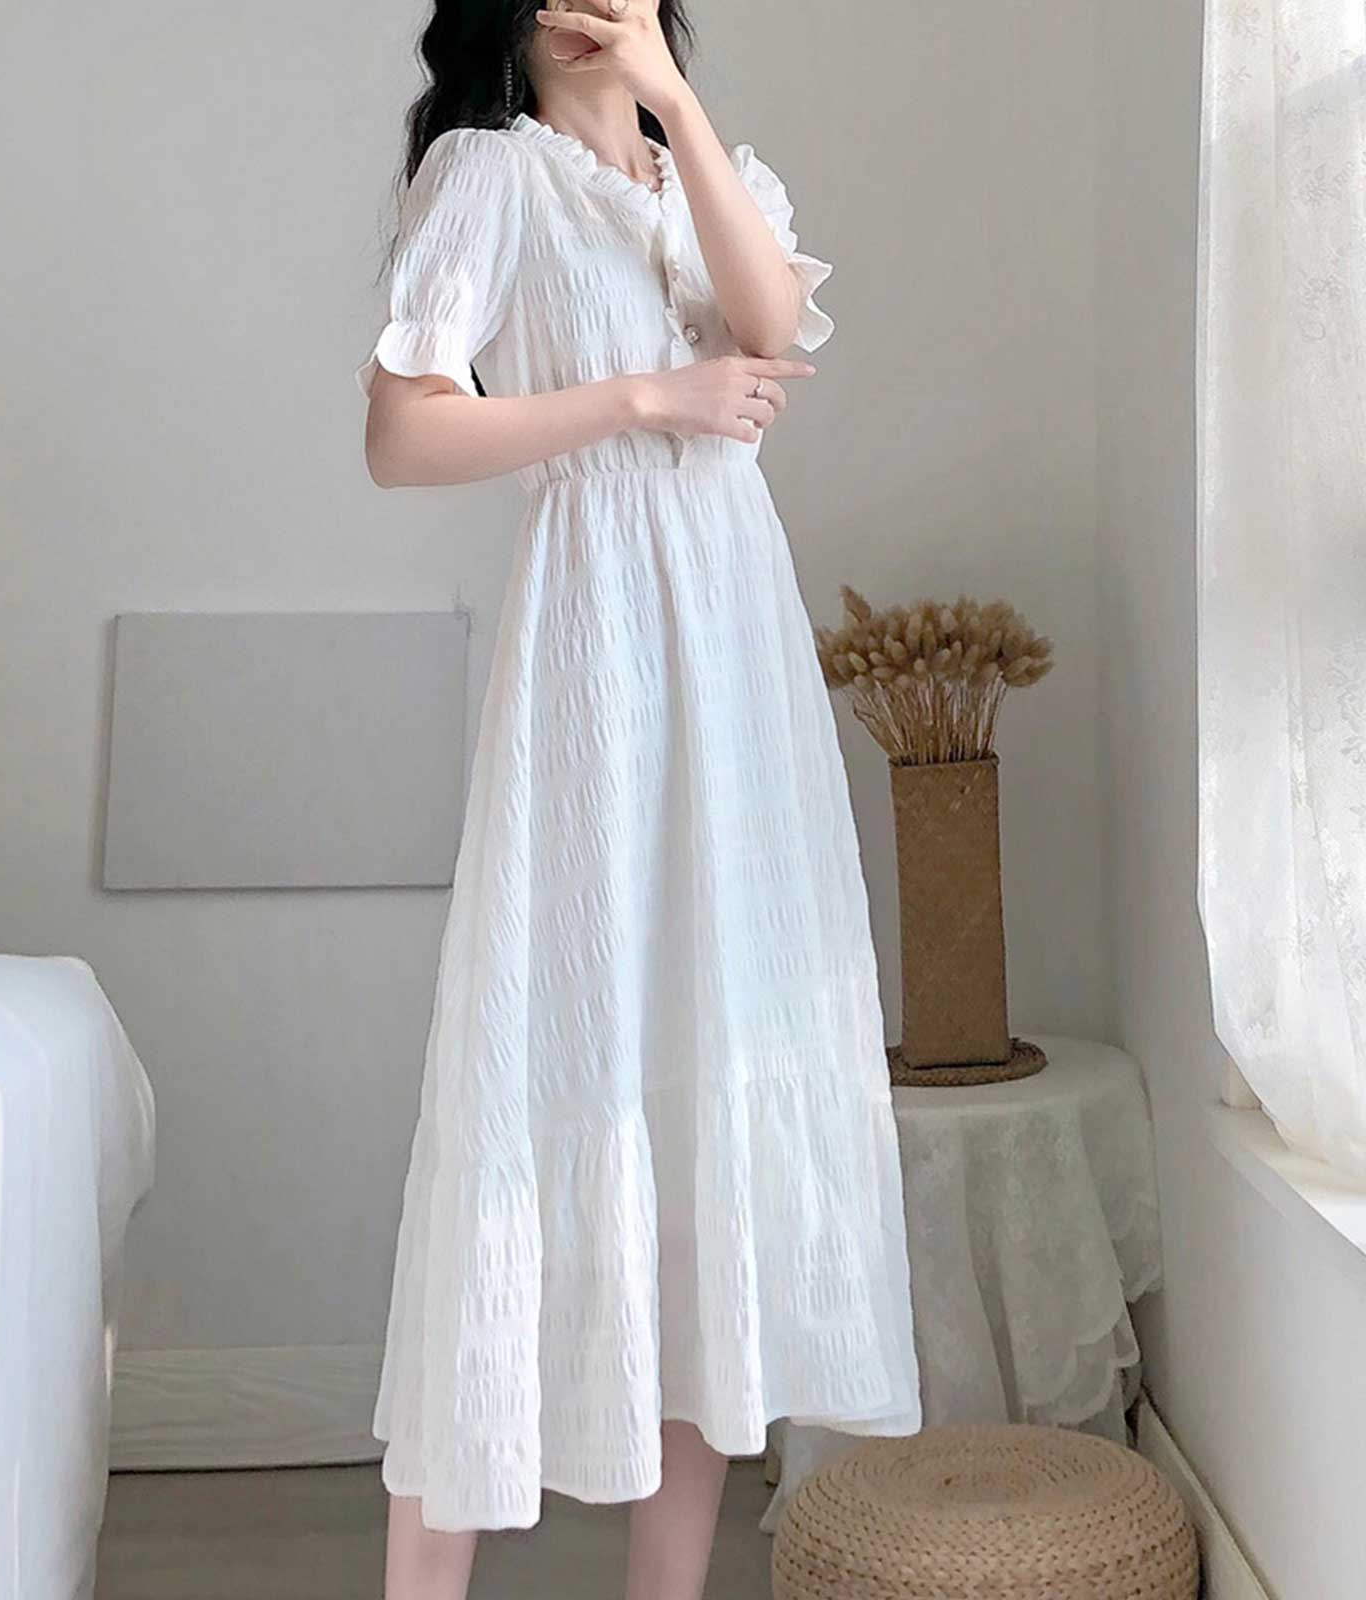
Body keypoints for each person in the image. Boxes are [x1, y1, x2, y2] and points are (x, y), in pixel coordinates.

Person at [357, 4, 920, 1596]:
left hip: (736, 644)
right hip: (599, 631)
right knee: (544, 1068)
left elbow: (770, 322)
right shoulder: (490, 172)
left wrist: (674, 98)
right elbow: (402, 435)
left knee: (703, 1104)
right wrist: (643, 400)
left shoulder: (713, 176)